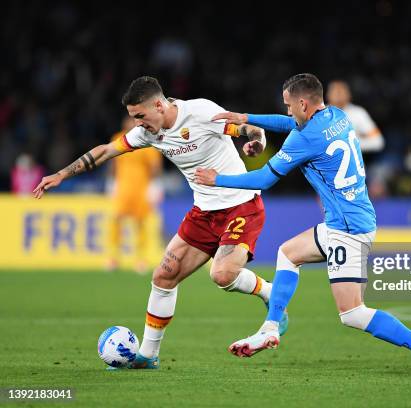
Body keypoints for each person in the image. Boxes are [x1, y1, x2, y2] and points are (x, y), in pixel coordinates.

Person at [195, 73, 411, 377]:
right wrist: (246, 117)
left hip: (348, 230)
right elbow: (287, 123)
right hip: (348, 219)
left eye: (289, 105)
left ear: (303, 103)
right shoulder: (337, 116)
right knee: (288, 253)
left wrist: (217, 179)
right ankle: (270, 328)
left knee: (352, 313)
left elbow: (264, 179)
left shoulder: (305, 138)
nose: (287, 111)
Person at [33, 76, 288, 369]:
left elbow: (249, 129)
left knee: (221, 275)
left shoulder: (201, 113)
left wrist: (256, 141)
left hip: (241, 206)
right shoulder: (148, 134)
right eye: (133, 118)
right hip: (203, 213)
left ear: (158, 104)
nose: (138, 124)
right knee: (163, 277)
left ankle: (270, 292)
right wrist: (62, 174)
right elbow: (105, 150)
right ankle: (148, 355)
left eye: (140, 116)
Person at [107, 115, 163, 273]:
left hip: (141, 188)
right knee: (116, 220)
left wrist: (154, 186)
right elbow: (113, 162)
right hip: (123, 188)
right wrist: (112, 183)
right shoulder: (118, 138)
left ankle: (141, 259)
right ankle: (113, 257)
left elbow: (154, 167)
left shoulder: (147, 141)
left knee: (140, 223)